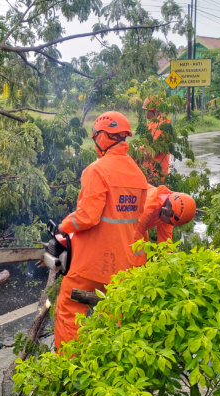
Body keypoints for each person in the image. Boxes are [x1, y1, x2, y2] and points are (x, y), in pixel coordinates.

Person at [54, 111, 148, 350]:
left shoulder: (97, 170)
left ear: (105, 137)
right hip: (123, 267)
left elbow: (86, 217)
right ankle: (109, 366)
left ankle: (68, 366)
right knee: (114, 317)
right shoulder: (138, 174)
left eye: (97, 136)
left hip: (90, 267)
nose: (95, 141)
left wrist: (63, 226)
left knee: (69, 308)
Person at [133, 184, 197, 267]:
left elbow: (166, 243)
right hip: (122, 220)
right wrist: (138, 269)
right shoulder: (148, 208)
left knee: (143, 246)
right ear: (166, 211)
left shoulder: (169, 208)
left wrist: (167, 264)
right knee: (132, 257)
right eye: (171, 222)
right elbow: (133, 235)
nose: (170, 225)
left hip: (137, 226)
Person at [141, 96, 172, 181]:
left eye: (147, 110)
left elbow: (156, 150)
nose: (146, 113)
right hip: (149, 173)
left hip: (156, 175)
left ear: (155, 111)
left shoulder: (161, 126)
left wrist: (137, 152)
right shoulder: (152, 124)